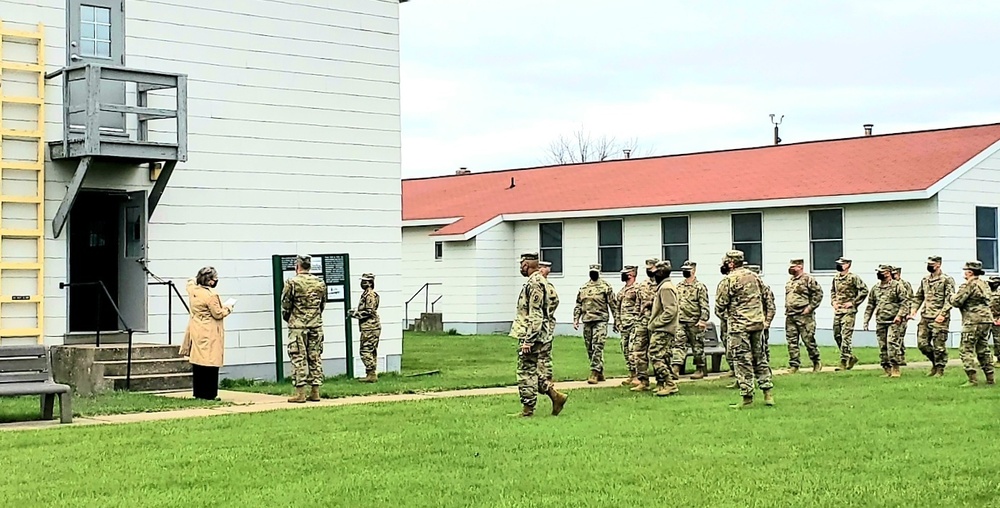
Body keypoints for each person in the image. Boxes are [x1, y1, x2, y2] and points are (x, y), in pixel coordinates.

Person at [509, 252, 568, 417]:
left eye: (522, 264)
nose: (521, 267)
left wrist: (529, 340)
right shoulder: (538, 281)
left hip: (533, 335)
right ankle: (556, 397)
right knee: (534, 370)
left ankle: (528, 409)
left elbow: (535, 314)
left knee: (525, 371)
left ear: (527, 265)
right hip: (535, 333)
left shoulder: (534, 283)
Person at [716, 250, 773, 408]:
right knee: (760, 358)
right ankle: (768, 393)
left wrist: (728, 318)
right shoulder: (755, 277)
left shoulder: (729, 280)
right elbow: (766, 297)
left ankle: (747, 397)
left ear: (731, 263)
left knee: (742, 360)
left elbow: (720, 306)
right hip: (757, 324)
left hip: (739, 327)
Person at [180, 266, 233, 400]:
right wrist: (228, 308)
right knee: (211, 362)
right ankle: (210, 393)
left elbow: (190, 281)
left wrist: (197, 278)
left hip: (196, 327)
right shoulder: (211, 296)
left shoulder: (193, 290)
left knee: (198, 362)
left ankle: (198, 392)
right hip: (210, 331)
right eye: (214, 279)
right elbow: (218, 313)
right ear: (210, 281)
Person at [281, 255, 327, 403]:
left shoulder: (292, 282)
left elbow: (286, 304)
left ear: (297, 266)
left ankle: (300, 393)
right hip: (315, 324)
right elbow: (322, 304)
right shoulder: (320, 282)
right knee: (315, 356)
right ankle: (315, 391)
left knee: (298, 357)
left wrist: (289, 318)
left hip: (298, 326)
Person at [949, 261, 996, 386]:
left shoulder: (968, 285)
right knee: (983, 348)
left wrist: (950, 296)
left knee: (966, 349)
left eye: (966, 270)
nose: (964, 272)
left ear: (970, 272)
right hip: (986, 319)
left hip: (972, 320)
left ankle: (972, 378)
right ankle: (990, 377)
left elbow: (957, 301)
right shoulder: (984, 284)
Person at [909, 256, 956, 377]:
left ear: (939, 264)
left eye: (932, 264)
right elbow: (919, 296)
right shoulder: (925, 279)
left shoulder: (946, 280)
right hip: (925, 316)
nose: (929, 266)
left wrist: (943, 314)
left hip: (939, 317)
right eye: (928, 263)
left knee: (938, 345)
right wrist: (914, 309)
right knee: (922, 344)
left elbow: (949, 299)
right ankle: (935, 362)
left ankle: (940, 368)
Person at [573, 264, 619, 384]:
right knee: (589, 347)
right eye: (591, 272)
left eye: (595, 272)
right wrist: (576, 319)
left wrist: (616, 320)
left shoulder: (605, 286)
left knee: (597, 345)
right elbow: (578, 304)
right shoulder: (584, 287)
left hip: (601, 320)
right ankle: (600, 371)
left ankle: (594, 372)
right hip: (587, 320)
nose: (593, 274)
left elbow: (613, 304)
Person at [863, 265, 909, 378]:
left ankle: (895, 368)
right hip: (881, 321)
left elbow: (905, 302)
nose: (879, 274)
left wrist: (899, 316)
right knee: (883, 346)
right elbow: (870, 305)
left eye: (881, 272)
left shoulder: (897, 286)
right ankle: (886, 369)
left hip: (894, 321)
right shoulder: (875, 288)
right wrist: (866, 320)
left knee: (891, 343)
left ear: (888, 273)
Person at [784, 259, 824, 373]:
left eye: (793, 267)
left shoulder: (808, 279)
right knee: (792, 341)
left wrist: (810, 308)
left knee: (808, 340)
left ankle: (816, 361)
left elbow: (818, 293)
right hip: (790, 315)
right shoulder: (790, 281)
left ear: (800, 266)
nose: (791, 269)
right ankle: (794, 365)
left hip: (804, 316)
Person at [647, 260, 680, 397]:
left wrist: (655, 323)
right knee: (664, 356)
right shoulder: (664, 286)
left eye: (655, 273)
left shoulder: (666, 288)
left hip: (663, 329)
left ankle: (670, 383)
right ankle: (663, 384)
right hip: (664, 328)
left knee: (655, 355)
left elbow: (670, 310)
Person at [831, 257, 867, 371]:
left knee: (846, 335)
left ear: (848, 265)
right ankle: (850, 356)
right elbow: (833, 291)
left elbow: (864, 290)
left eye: (842, 264)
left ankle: (843, 361)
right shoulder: (836, 278)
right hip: (838, 311)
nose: (839, 265)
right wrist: (834, 302)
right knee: (837, 335)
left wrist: (853, 303)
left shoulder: (853, 278)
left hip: (849, 312)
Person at [676, 261, 710, 380]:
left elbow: (704, 305)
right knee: (678, 344)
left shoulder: (699, 287)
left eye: (687, 269)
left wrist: (702, 320)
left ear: (693, 271)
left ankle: (700, 369)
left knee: (697, 346)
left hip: (694, 321)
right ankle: (675, 368)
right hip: (680, 320)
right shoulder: (679, 286)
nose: (685, 271)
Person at [630, 258, 660, 392]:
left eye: (652, 268)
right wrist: (636, 317)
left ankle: (662, 381)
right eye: (647, 269)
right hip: (643, 322)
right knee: (639, 351)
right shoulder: (642, 285)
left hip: (657, 322)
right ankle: (643, 380)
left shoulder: (663, 285)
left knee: (658, 352)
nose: (649, 271)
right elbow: (638, 304)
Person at [349, 273, 381, 383]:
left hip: (370, 327)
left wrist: (354, 314)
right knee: (370, 350)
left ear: (370, 283)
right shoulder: (366, 294)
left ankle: (371, 373)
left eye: (365, 281)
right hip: (370, 326)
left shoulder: (370, 295)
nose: (362, 283)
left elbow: (369, 312)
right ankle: (371, 373)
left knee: (365, 350)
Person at [615, 265, 641, 386]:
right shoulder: (622, 291)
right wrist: (617, 322)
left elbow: (641, 306)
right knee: (625, 348)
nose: (623, 275)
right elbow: (617, 308)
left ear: (632, 274)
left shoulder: (638, 289)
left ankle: (637, 376)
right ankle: (631, 374)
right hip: (624, 324)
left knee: (633, 349)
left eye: (626, 273)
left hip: (634, 324)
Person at [747, 265, 775, 365]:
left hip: (760, 322)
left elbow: (771, 307)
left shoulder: (764, 288)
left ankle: (764, 367)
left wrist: (767, 323)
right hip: (748, 323)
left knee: (762, 348)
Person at [539, 260, 559, 383]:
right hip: (539, 323)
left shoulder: (546, 286)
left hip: (544, 323)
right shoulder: (539, 284)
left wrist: (545, 314)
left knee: (544, 351)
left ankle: (546, 376)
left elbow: (554, 302)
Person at [891, 266, 914, 365]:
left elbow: (910, 299)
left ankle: (900, 355)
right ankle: (897, 355)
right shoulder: (889, 284)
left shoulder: (904, 284)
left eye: (895, 274)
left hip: (902, 314)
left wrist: (908, 313)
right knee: (894, 336)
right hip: (891, 314)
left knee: (900, 335)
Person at [987, 275, 1000, 367]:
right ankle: (986, 360)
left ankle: (999, 359)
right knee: (982, 340)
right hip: (986, 318)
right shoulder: (986, 292)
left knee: (998, 340)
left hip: (997, 319)